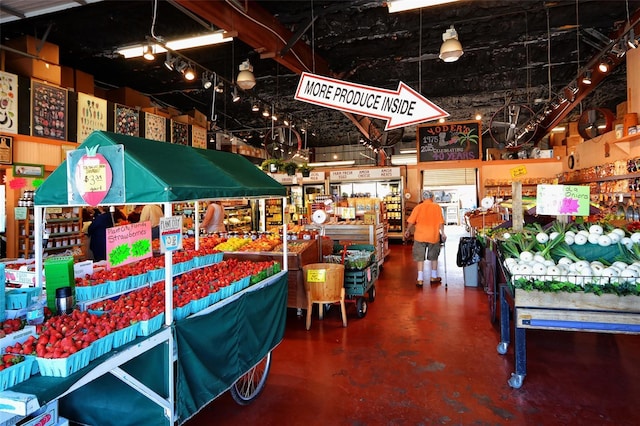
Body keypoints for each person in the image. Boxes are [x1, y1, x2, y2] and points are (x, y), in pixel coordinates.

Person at [404, 189, 446, 287]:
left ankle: (420, 279)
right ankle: (433, 276)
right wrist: (443, 233)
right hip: (433, 236)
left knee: (420, 258)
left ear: (423, 198)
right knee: (434, 257)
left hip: (420, 236)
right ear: (432, 197)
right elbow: (440, 222)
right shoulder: (437, 207)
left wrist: (407, 230)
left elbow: (411, 221)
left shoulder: (418, 207)